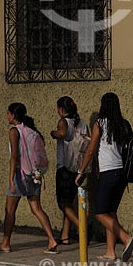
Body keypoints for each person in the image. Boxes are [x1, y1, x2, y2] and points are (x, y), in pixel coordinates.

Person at [75, 92, 133, 262]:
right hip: (122, 174)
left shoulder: (100, 124)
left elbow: (91, 150)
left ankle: (126, 238)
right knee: (111, 212)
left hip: (108, 172)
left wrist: (81, 171)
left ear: (103, 106)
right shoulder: (123, 124)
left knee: (100, 213)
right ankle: (110, 251)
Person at [0, 103, 58, 254]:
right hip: (35, 174)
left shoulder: (14, 131)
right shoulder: (32, 131)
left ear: (13, 115)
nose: (7, 115)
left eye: (8, 113)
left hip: (20, 175)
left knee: (10, 210)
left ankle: (6, 243)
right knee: (36, 208)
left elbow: (14, 156)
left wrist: (10, 178)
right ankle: (52, 239)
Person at [50, 96, 90, 245]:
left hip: (65, 168)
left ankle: (83, 229)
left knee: (63, 204)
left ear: (61, 109)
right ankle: (65, 235)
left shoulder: (63, 122)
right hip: (79, 168)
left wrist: (53, 133)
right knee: (69, 202)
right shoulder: (83, 123)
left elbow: (61, 133)